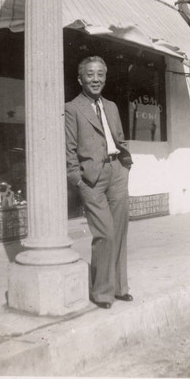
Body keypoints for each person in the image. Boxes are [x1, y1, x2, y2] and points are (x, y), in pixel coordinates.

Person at [65, 56, 133, 309]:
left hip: (117, 171)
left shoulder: (112, 106)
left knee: (120, 233)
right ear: (80, 79)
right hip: (92, 177)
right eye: (90, 75)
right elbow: (69, 149)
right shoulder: (72, 108)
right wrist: (77, 180)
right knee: (104, 233)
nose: (96, 80)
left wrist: (125, 166)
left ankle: (119, 287)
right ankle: (102, 292)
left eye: (100, 75)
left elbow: (119, 138)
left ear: (105, 77)